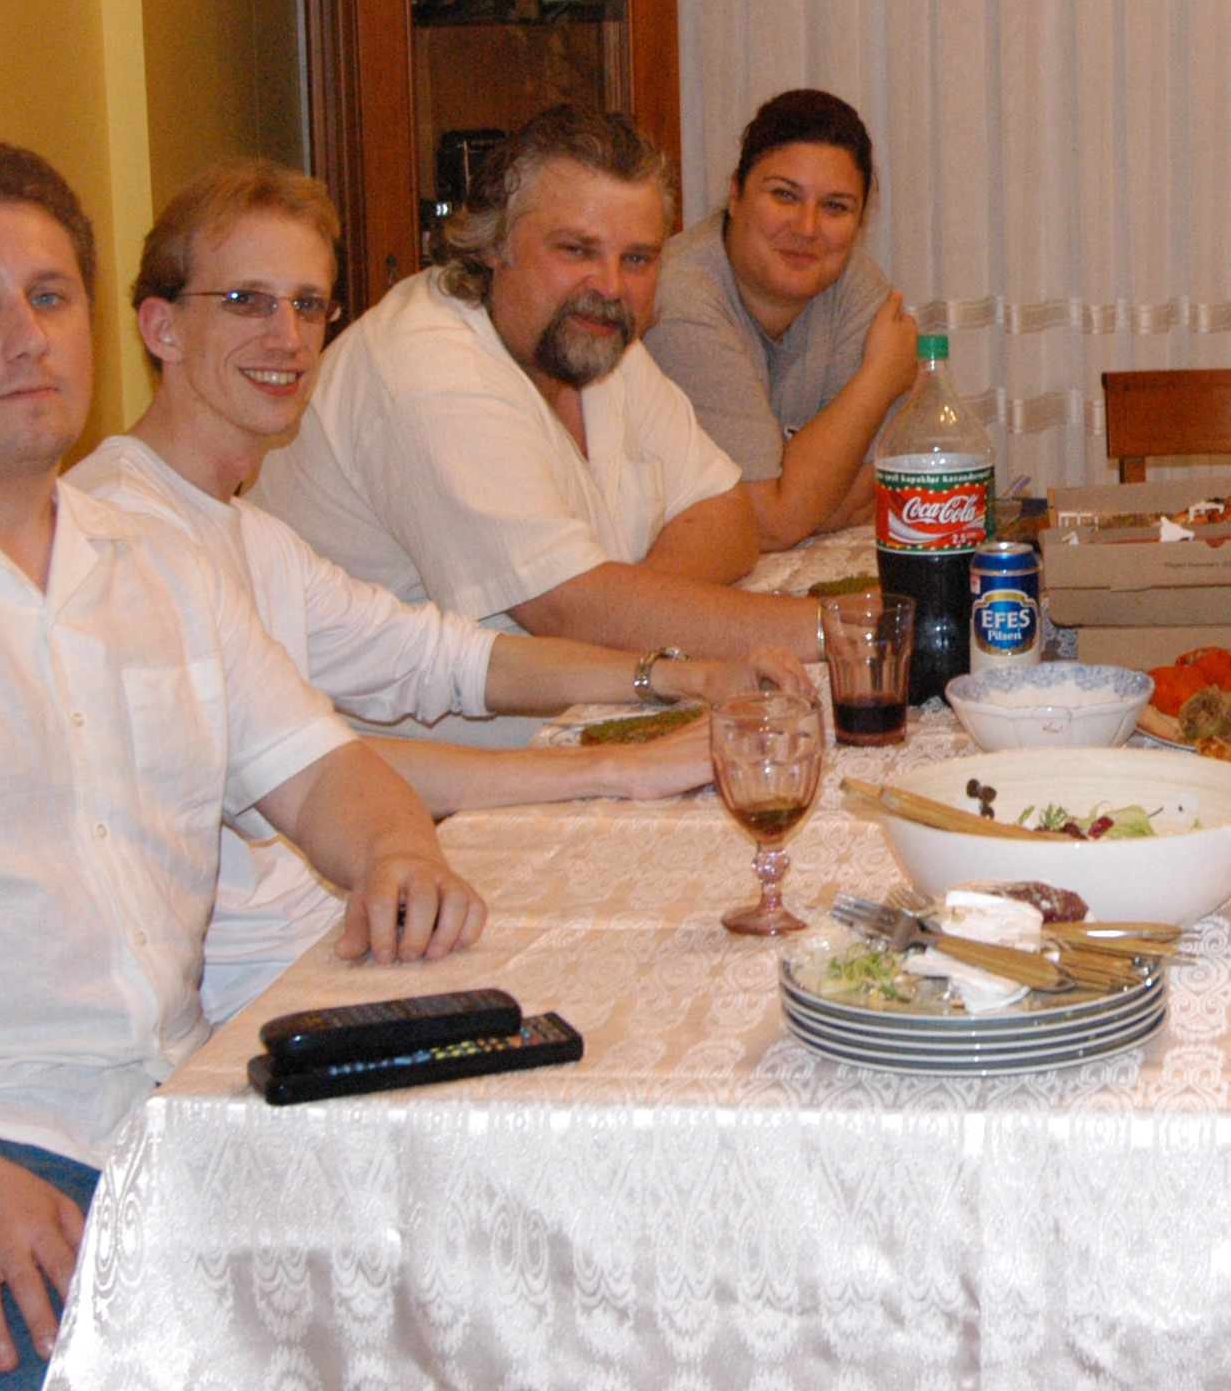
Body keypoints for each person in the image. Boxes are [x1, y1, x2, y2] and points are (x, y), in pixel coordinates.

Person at [0, 141, 483, 1390]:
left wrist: (395, 850)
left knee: (468, 1302)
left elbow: (323, 770)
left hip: (160, 1112)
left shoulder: (159, 565)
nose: (27, 337)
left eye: (50, 295)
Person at [71, 160, 807, 1020]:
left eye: (307, 305)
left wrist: (685, 676)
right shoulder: (118, 537)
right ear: (160, 327)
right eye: (247, 302)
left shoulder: (247, 532)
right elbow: (311, 765)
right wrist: (620, 769)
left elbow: (444, 658)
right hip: (266, 992)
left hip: (348, 933)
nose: (287, 337)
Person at [252, 106, 827, 746]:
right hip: (391, 779)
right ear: (494, 245)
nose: (610, 285)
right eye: (576, 249)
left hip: (582, 723)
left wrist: (629, 608)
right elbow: (567, 609)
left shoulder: (593, 340)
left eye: (638, 259)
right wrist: (839, 628)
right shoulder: (429, 368)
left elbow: (729, 518)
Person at [644, 88, 920, 549]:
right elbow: (768, 522)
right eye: (784, 195)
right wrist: (880, 378)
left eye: (835, 207)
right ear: (736, 194)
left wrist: (799, 499)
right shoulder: (676, 299)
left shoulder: (853, 280)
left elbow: (897, 480)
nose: (807, 229)